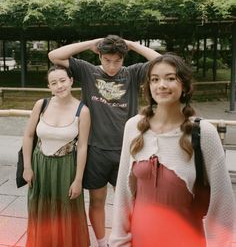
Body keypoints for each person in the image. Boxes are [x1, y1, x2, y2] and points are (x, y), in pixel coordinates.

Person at [109, 53, 236, 247]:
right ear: (148, 87)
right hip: (140, 238)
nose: (161, 85)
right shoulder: (133, 127)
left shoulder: (203, 133)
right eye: (155, 79)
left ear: (184, 85)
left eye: (170, 78)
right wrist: (119, 241)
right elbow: (123, 195)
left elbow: (222, 202)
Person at [48, 35, 161, 247]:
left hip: (127, 151)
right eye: (107, 60)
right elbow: (54, 55)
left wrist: (132, 45)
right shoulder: (88, 71)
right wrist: (91, 43)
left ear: (123, 59)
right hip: (96, 151)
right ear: (99, 56)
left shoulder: (132, 73)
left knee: (130, 203)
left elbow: (162, 61)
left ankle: (126, 240)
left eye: (117, 61)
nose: (111, 66)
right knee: (97, 200)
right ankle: (102, 242)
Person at [22, 65, 91, 247]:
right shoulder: (41, 104)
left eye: (62, 80)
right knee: (41, 209)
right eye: (54, 83)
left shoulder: (82, 110)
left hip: (66, 167)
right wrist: (27, 167)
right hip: (40, 165)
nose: (59, 86)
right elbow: (28, 135)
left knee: (66, 210)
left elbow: (83, 146)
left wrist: (78, 180)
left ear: (71, 81)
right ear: (49, 86)